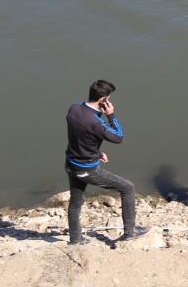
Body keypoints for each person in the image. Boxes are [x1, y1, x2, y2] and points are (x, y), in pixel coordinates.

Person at [64, 80, 151, 245]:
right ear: (103, 99)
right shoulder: (96, 122)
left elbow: (80, 135)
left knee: (76, 202)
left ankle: (75, 239)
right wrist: (110, 115)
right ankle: (130, 232)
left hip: (71, 163)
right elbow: (118, 137)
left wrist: (96, 152)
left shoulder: (73, 108)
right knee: (127, 188)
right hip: (88, 170)